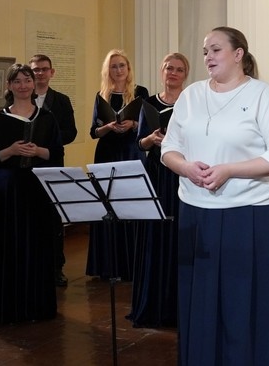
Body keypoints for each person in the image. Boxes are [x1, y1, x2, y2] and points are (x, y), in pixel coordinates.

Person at [160, 26, 269, 366]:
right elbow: (168, 148)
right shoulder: (191, 96)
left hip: (248, 214)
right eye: (205, 51)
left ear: (238, 55)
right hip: (196, 212)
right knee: (202, 299)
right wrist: (185, 167)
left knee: (244, 299)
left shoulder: (262, 95)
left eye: (216, 49)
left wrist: (229, 170)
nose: (208, 56)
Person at [0, 63, 64, 326]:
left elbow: (57, 154)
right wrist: (11, 151)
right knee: (7, 246)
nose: (23, 85)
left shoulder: (47, 118)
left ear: (34, 84)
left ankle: (36, 306)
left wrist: (38, 151)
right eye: (17, 81)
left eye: (27, 80)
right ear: (9, 86)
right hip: (6, 190)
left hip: (37, 189)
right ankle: (6, 307)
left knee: (36, 245)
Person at [128, 52, 189, 328]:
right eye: (168, 68)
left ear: (185, 74)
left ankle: (180, 305)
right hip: (155, 175)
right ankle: (152, 303)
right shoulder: (148, 104)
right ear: (161, 71)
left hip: (182, 175)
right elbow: (138, 143)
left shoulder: (191, 102)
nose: (173, 73)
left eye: (178, 69)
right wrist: (150, 140)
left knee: (179, 235)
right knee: (154, 235)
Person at [86, 49, 149, 281]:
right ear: (108, 70)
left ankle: (132, 265)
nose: (118, 70)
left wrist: (132, 124)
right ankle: (108, 266)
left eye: (122, 65)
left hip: (131, 152)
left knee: (131, 206)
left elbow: (147, 126)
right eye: (114, 66)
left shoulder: (140, 92)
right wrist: (108, 127)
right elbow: (94, 131)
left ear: (128, 68)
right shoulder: (101, 95)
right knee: (108, 208)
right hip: (107, 153)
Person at [29, 54, 77, 287]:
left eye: (44, 69)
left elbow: (71, 132)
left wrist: (46, 142)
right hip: (26, 166)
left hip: (52, 163)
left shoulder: (61, 100)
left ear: (52, 72)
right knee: (30, 217)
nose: (40, 73)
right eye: (35, 70)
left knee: (53, 218)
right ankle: (30, 266)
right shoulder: (21, 97)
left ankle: (56, 267)